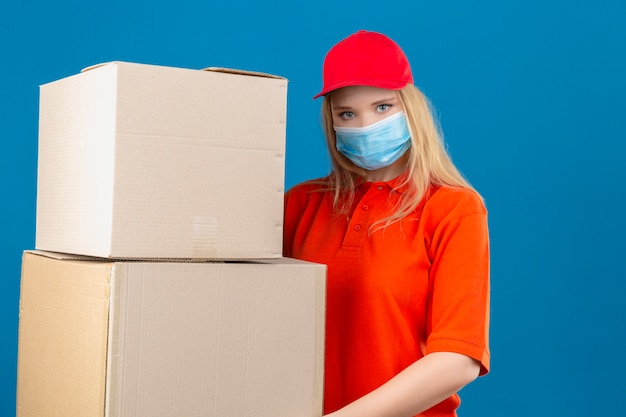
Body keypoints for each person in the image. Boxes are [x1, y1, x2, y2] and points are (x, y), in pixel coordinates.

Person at [283, 30, 490, 417]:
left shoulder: (452, 208)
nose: (364, 126)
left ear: (411, 108)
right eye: (347, 113)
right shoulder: (299, 205)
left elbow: (458, 358)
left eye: (382, 107)